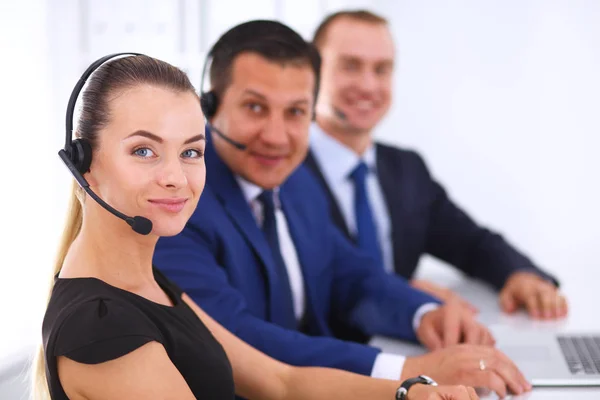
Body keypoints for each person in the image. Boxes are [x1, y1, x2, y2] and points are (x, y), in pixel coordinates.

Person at [32, 53, 479, 400]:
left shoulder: (144, 283)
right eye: (144, 151)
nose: (175, 176)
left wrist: (411, 391)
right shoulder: (104, 327)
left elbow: (281, 382)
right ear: (83, 165)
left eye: (190, 152)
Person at [154, 20, 530, 398]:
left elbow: (348, 275)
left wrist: (423, 315)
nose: (276, 136)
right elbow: (238, 341)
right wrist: (406, 370)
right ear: (209, 106)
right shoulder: (177, 202)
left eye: (296, 112)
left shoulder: (295, 179)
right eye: (255, 107)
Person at [304, 9, 567, 320]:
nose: (368, 85)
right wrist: (405, 296)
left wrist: (520, 274)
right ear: (312, 72)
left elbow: (471, 243)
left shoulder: (406, 170)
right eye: (350, 66)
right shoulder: (280, 169)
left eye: (382, 69)